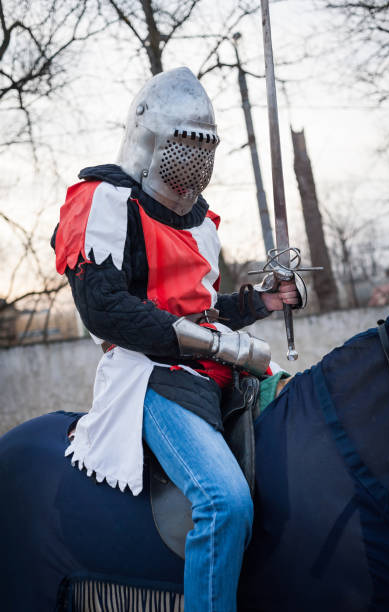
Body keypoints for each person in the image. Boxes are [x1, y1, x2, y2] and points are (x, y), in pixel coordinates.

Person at [51, 67, 299, 612]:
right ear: (150, 137)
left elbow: (208, 311)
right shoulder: (105, 200)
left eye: (201, 148)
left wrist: (264, 302)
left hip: (218, 376)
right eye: (184, 145)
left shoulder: (202, 223)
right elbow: (107, 309)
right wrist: (217, 346)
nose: (192, 160)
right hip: (150, 379)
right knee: (225, 503)